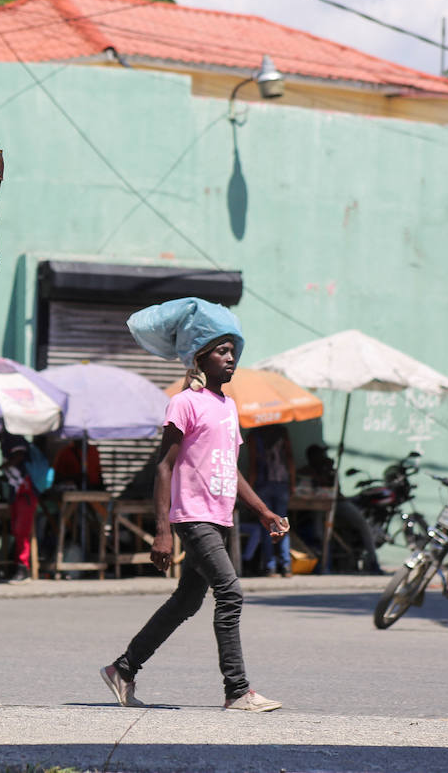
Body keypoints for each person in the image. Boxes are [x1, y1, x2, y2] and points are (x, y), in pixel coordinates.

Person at [100, 297, 286, 713]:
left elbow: (230, 469)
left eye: (233, 350)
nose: (231, 358)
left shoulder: (228, 407)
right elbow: (163, 468)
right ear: (200, 357)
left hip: (220, 518)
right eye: (222, 351)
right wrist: (162, 530)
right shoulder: (184, 402)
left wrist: (263, 511)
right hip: (192, 516)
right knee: (230, 593)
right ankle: (237, 690)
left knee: (187, 601)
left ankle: (123, 669)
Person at [303, 443, 382, 574]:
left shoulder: (329, 469)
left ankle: (373, 561)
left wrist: (328, 471)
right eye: (319, 455)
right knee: (318, 531)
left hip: (339, 503)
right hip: (319, 505)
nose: (323, 457)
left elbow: (335, 490)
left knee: (363, 525)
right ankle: (323, 563)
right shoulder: (308, 471)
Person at [0, 431, 38, 584]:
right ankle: (19, 565)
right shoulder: (5, 443)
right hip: (17, 493)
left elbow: (19, 457)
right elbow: (11, 474)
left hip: (26, 491)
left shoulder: (12, 438)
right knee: (17, 530)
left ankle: (23, 568)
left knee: (21, 530)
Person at [246, 425, 295, 577]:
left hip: (262, 484)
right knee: (282, 523)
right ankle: (286, 566)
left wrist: (250, 489)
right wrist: (292, 483)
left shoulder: (254, 435)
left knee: (267, 525)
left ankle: (270, 566)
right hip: (281, 482)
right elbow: (289, 458)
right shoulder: (282, 431)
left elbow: (253, 463)